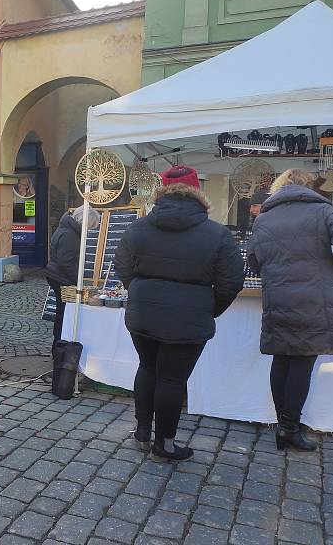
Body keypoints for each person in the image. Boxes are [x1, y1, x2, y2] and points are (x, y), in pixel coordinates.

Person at [115, 166, 244, 462]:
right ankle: (165, 444)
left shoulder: (139, 227)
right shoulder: (217, 234)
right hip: (188, 318)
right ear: (197, 192)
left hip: (143, 314)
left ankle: (143, 432)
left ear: (162, 191)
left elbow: (123, 266)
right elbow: (231, 281)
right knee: (172, 379)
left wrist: (139, 292)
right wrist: (208, 308)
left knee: (147, 368)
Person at [248, 169, 333, 451]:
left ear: (279, 187)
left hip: (278, 295)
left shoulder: (265, 216)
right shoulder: (323, 210)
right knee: (302, 360)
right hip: (313, 296)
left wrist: (273, 268)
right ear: (308, 186)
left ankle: (284, 425)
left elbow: (253, 259)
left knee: (282, 358)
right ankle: (289, 428)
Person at [44, 205, 100, 350]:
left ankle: (58, 345)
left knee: (62, 313)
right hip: (61, 278)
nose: (89, 230)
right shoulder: (70, 234)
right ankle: (59, 347)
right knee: (63, 314)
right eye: (90, 226)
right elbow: (66, 261)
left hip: (57, 275)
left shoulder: (67, 228)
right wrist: (79, 279)